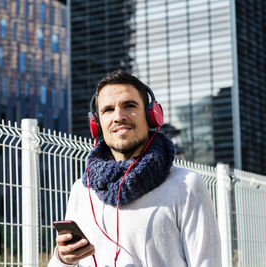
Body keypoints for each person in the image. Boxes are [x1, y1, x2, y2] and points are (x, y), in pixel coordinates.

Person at [48, 70, 221, 266]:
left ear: (151, 116)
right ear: (96, 124)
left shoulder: (186, 185)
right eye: (108, 110)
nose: (118, 116)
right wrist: (63, 259)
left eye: (129, 106)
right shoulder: (82, 190)